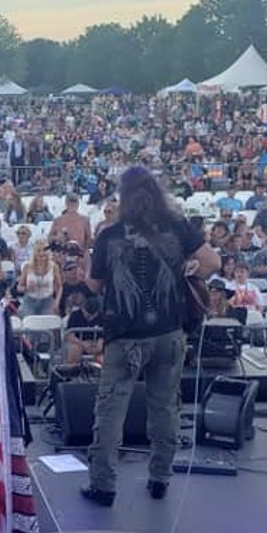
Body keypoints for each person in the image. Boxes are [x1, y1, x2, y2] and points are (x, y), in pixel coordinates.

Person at [81, 166, 219, 506]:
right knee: (165, 407)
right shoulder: (176, 226)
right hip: (169, 333)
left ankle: (104, 485)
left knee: (111, 410)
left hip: (125, 335)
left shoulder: (109, 235)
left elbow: (94, 285)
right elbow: (212, 262)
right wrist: (188, 269)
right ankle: (160, 478)